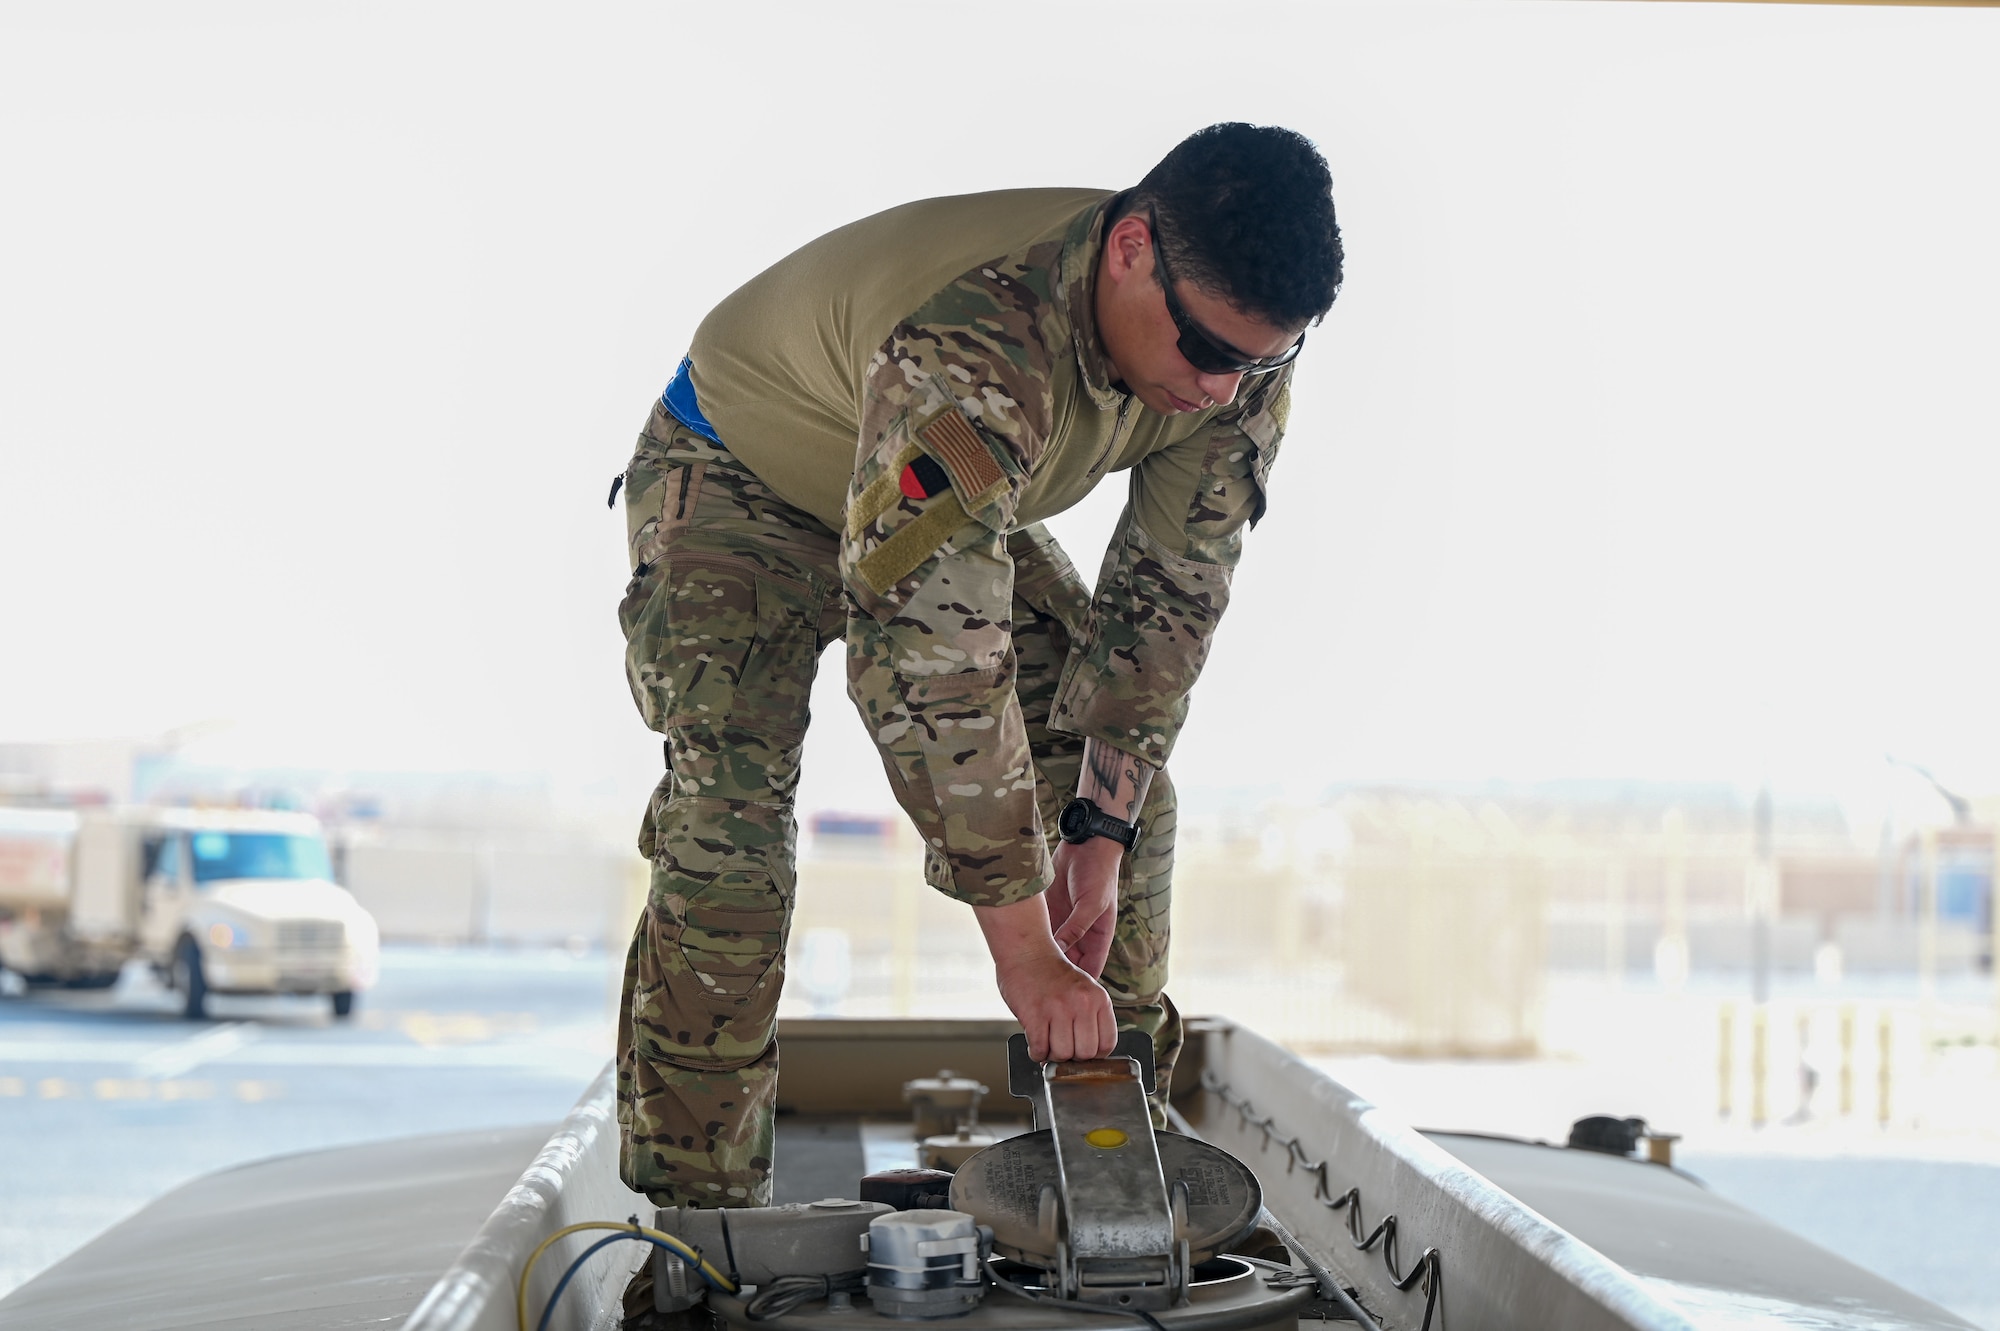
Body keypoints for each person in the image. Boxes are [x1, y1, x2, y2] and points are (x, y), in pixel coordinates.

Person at [612, 122, 1343, 1215]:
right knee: (729, 829)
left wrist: (1092, 838)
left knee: (1133, 802)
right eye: (1202, 348)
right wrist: (1024, 952)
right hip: (745, 478)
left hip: (928, 504)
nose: (1213, 386)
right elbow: (932, 666)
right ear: (1130, 249)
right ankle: (696, 1223)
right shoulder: (980, 341)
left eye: (1256, 359)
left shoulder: (1229, 367)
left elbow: (1166, 605)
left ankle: (1112, 1177)